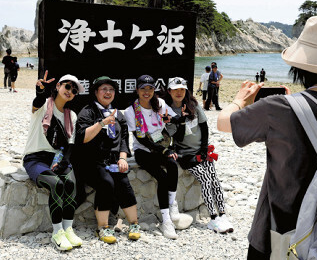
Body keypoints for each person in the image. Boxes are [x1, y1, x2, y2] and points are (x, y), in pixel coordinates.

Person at [217, 14, 317, 259]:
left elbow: (223, 123)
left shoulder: (278, 108)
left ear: (300, 64)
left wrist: (239, 101)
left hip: (277, 238)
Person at [22, 72, 85, 251]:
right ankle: (57, 232)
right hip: (35, 158)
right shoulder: (43, 107)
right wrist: (40, 91)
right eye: (67, 86)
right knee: (56, 184)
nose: (70, 91)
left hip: (56, 158)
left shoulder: (71, 115)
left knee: (71, 183)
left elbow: (70, 145)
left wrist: (65, 162)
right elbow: (37, 102)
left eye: (74, 90)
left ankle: (68, 229)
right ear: (57, 86)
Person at [163, 77, 234, 234]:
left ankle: (222, 215)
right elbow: (178, 137)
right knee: (206, 179)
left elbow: (204, 126)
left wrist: (203, 148)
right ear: (169, 91)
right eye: (175, 89)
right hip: (186, 154)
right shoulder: (167, 111)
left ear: (186, 90)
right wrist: (180, 120)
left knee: (214, 179)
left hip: (201, 151)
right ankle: (213, 218)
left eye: (182, 89)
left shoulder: (193, 105)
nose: (179, 92)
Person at [75, 76, 141, 244]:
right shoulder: (87, 111)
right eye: (103, 89)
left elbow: (124, 139)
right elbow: (82, 137)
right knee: (106, 183)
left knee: (124, 182)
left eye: (111, 89)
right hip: (91, 161)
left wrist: (122, 158)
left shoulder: (118, 114)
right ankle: (103, 227)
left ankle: (134, 224)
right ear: (96, 92)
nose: (108, 92)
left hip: (113, 160)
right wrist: (102, 123)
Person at [123, 75, 180, 239]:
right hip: (143, 151)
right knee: (162, 177)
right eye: (143, 88)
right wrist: (164, 151)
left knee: (172, 164)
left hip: (160, 146)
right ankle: (166, 220)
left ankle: (172, 202)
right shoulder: (130, 111)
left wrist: (177, 118)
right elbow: (141, 138)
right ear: (137, 90)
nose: (146, 92)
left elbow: (173, 118)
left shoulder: (160, 104)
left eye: (150, 88)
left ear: (154, 90)